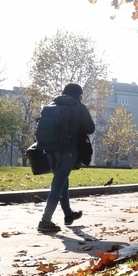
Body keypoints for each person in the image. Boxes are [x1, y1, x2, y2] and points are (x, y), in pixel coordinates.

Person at [37, 83, 96, 233]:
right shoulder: (78, 107)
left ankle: (68, 214)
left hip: (49, 148)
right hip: (68, 149)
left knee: (62, 181)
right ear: (78, 95)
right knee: (58, 183)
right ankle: (45, 221)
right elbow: (90, 128)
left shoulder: (51, 105)